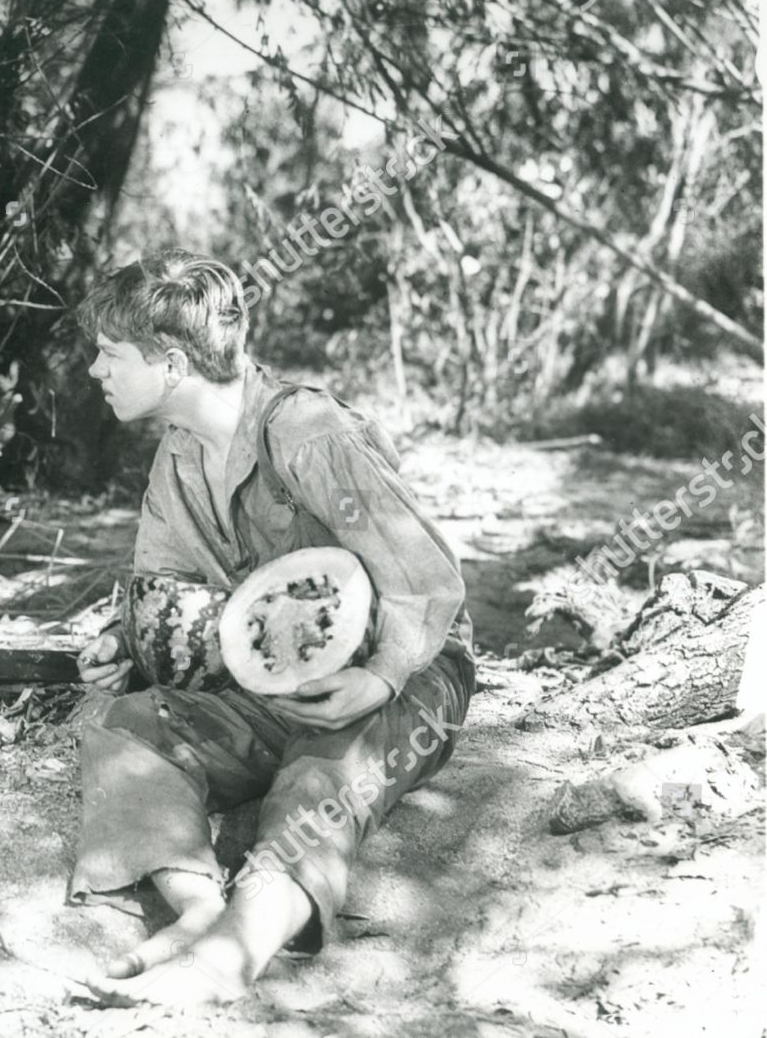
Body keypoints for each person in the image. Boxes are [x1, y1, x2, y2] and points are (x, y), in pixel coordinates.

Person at [70, 249, 476, 1007]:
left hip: (412, 671)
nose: (96, 367)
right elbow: (174, 596)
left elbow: (427, 580)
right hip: (275, 676)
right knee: (128, 725)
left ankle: (231, 956)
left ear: (169, 363)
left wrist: (381, 677)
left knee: (321, 775)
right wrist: (124, 647)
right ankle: (198, 909)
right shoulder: (180, 455)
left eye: (110, 353)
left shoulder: (307, 431)